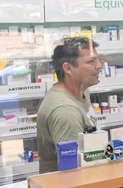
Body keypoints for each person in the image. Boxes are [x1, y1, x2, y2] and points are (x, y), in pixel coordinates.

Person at [37, 37, 102, 174]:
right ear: (68, 68)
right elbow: (72, 172)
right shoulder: (66, 111)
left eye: (97, 59)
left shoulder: (81, 91)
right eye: (91, 61)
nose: (99, 65)